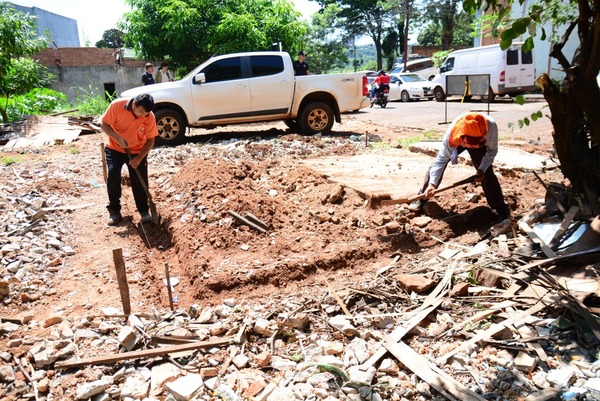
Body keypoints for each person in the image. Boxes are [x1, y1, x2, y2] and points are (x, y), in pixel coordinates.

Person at [408, 112, 510, 223]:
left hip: (479, 140)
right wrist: (432, 184)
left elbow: (491, 152)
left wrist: (482, 169)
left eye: (473, 145)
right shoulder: (452, 136)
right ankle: (422, 196)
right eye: (468, 145)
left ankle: (501, 208)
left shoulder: (490, 129)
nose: (471, 148)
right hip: (462, 138)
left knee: (487, 173)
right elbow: (440, 161)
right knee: (437, 166)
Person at [101, 93, 158, 226]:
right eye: (140, 112)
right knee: (113, 173)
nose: (143, 115)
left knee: (140, 179)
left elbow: (150, 140)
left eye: (146, 113)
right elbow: (104, 124)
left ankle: (144, 211)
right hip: (115, 147)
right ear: (134, 105)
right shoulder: (117, 106)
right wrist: (118, 138)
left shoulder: (149, 117)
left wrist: (139, 158)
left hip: (138, 150)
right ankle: (114, 211)